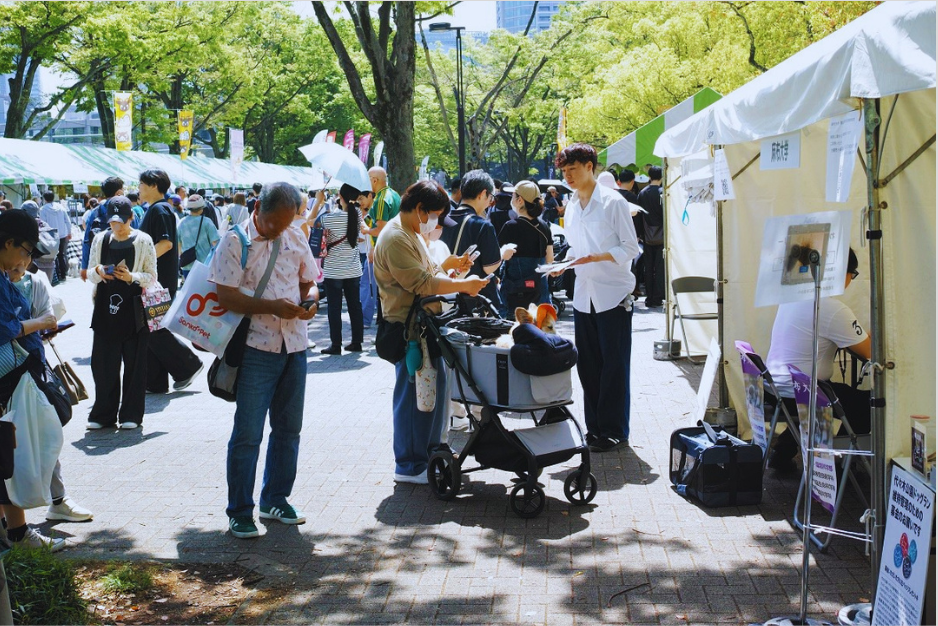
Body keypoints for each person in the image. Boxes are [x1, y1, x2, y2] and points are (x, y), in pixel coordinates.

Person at [209, 183, 318, 539]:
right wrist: (272, 307)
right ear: (257, 208)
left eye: (287, 223)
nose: (278, 230)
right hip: (256, 348)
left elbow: (310, 282)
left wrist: (311, 301)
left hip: (295, 346)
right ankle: (240, 510)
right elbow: (225, 296)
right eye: (273, 223)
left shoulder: (296, 235)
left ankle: (275, 498)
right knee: (248, 434)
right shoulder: (235, 241)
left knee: (289, 430)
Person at [373, 180, 485, 484]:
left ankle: (429, 455)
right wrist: (462, 284)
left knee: (431, 397)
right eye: (433, 215)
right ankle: (411, 465)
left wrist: (450, 270)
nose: (435, 222)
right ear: (420, 209)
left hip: (427, 328)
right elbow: (422, 283)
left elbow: (430, 274)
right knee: (415, 399)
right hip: (410, 332)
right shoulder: (396, 237)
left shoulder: (411, 232)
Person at [553, 144, 640, 452]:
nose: (568, 177)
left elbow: (631, 248)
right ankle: (595, 428)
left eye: (572, 170)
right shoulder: (572, 204)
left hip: (613, 294)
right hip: (583, 295)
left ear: (590, 166)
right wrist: (563, 264)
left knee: (614, 365)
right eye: (564, 172)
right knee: (588, 365)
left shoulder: (613, 202)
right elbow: (576, 248)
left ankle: (615, 430)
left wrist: (596, 257)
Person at [764, 248, 871, 469]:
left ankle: (782, 451)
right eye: (854, 274)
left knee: (834, 390)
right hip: (803, 393)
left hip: (775, 389)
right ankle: (839, 466)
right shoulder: (831, 308)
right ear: (842, 273)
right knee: (868, 406)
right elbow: (870, 352)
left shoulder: (793, 297)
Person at [0, 209, 68, 550]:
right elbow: (5, 328)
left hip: (12, 379)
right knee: (10, 456)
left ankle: (12, 531)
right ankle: (17, 533)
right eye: (26, 251)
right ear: (8, 242)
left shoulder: (5, 276)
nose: (27, 260)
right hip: (8, 380)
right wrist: (40, 323)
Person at [9, 261, 94, 526]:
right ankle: (15, 525)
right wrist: (32, 324)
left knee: (46, 431)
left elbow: (49, 318)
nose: (21, 260)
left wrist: (29, 326)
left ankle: (58, 500)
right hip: (9, 372)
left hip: (31, 367)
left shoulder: (35, 282)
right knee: (9, 444)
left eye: (27, 252)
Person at [86, 197, 158, 430]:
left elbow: (152, 276)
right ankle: (103, 414)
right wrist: (99, 271)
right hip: (105, 309)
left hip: (135, 308)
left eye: (121, 222)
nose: (117, 227)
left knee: (135, 364)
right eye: (113, 222)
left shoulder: (144, 240)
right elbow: (89, 273)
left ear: (131, 218)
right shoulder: (100, 238)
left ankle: (131, 414)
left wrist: (131, 277)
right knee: (103, 363)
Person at [138, 170, 204, 394]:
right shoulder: (158, 209)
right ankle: (155, 382)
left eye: (141, 184)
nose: (138, 188)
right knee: (149, 327)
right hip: (157, 279)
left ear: (154, 185)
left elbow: (165, 244)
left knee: (151, 328)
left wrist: (140, 263)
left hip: (157, 281)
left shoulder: (160, 209)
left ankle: (189, 365)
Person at [440, 169, 514, 315]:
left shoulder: (444, 220)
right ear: (482, 194)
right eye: (491, 197)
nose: (490, 202)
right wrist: (503, 254)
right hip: (476, 302)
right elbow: (489, 267)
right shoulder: (482, 225)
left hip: (446, 299)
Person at [319, 184, 365, 355]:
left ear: (341, 196)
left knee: (334, 308)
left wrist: (319, 202)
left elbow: (311, 222)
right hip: (353, 269)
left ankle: (336, 344)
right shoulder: (357, 214)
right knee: (355, 306)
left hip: (334, 270)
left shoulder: (330, 218)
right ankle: (357, 342)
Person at [497, 180, 553, 312]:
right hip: (540, 294)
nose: (511, 199)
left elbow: (496, 257)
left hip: (515, 295)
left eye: (513, 196)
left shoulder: (510, 227)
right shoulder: (545, 226)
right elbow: (550, 259)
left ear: (520, 200)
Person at [362, 166, 401, 326]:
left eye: (367, 179)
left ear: (375, 180)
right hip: (394, 248)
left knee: (367, 284)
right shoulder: (394, 195)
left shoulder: (380, 199)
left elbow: (381, 229)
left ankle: (367, 319)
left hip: (382, 251)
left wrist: (365, 230)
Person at [81, 176, 124, 282]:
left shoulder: (96, 211)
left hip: (101, 262)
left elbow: (87, 239)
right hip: (124, 262)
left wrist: (84, 266)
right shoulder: (127, 210)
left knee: (103, 289)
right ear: (119, 192)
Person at [637, 166, 664, 308]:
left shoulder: (642, 193)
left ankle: (649, 297)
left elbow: (639, 215)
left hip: (646, 237)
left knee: (648, 267)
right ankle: (658, 297)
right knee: (659, 268)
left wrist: (640, 234)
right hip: (662, 236)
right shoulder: (662, 193)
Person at [178, 194, 220, 277]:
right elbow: (216, 243)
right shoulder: (207, 222)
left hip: (187, 265)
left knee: (190, 289)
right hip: (204, 265)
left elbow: (178, 245)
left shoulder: (181, 222)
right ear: (202, 209)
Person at [39, 191, 71, 283]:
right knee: (62, 254)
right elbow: (67, 221)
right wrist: (69, 232)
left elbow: (42, 223)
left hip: (50, 235)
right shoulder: (61, 207)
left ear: (44, 198)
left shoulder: (43, 209)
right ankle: (63, 274)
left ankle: (55, 275)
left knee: (52, 255)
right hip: (62, 234)